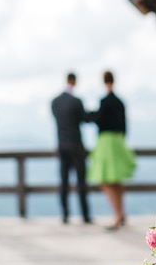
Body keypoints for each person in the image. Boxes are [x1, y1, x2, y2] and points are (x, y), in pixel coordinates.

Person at [87, 71, 136, 230]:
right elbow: (124, 125)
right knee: (116, 180)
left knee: (105, 180)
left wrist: (89, 115)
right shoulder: (120, 102)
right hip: (118, 141)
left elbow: (98, 119)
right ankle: (121, 213)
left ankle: (117, 214)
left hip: (106, 142)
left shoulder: (104, 101)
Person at [51, 72, 91, 224]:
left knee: (64, 181)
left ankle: (65, 215)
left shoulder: (55, 102)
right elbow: (85, 119)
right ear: (74, 81)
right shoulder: (76, 101)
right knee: (81, 181)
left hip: (62, 144)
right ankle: (85, 215)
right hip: (76, 144)